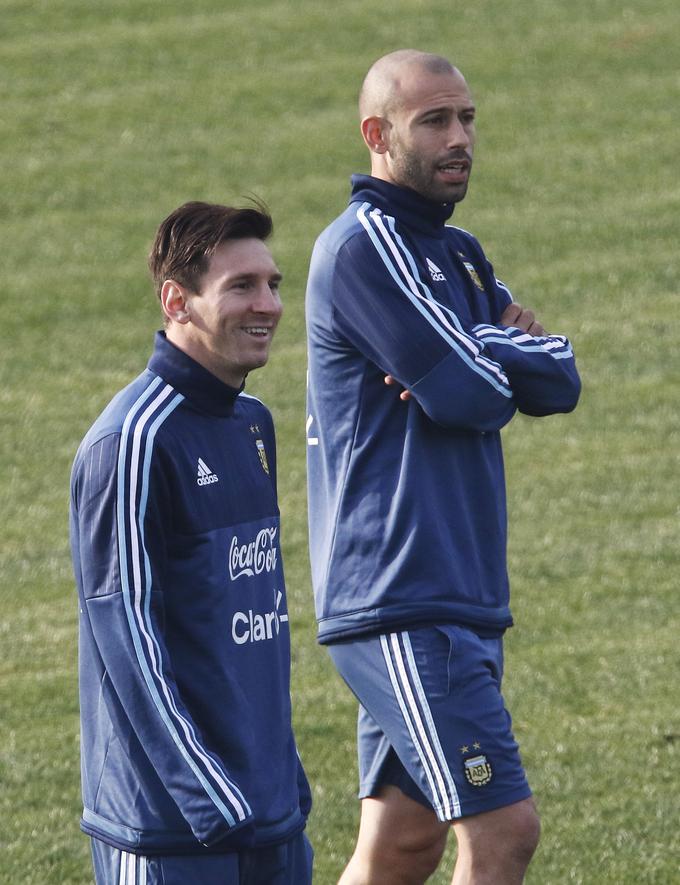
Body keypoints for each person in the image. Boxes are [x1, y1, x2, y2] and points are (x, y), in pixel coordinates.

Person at [305, 50, 581, 884]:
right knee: (504, 831)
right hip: (402, 595)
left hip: (452, 592)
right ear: (377, 135)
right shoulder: (364, 247)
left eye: (466, 119)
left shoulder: (457, 253)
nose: (459, 138)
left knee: (402, 846)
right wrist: (499, 346)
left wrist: (472, 349)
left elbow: (558, 377)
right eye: (434, 120)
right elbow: (470, 394)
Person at [70, 201, 313, 885]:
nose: (267, 304)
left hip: (269, 816)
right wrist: (207, 794)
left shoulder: (252, 425)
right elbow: (128, 637)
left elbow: (250, 620)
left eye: (273, 284)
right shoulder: (133, 442)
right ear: (177, 300)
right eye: (241, 286)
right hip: (171, 828)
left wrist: (280, 783)